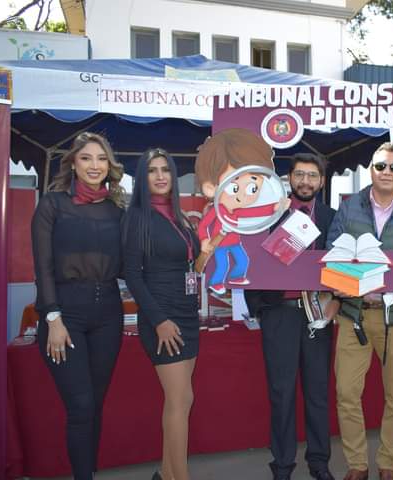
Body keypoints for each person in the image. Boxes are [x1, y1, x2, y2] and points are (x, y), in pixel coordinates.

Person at [327, 142, 393, 480]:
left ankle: (388, 463)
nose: (387, 172)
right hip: (353, 315)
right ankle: (357, 464)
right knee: (346, 392)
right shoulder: (348, 208)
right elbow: (331, 252)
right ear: (370, 170)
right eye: (381, 166)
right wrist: (337, 283)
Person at [31, 132, 125, 480]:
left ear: (109, 166)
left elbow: (132, 263)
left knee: (94, 405)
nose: (94, 165)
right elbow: (42, 266)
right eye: (86, 158)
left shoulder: (117, 211)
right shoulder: (52, 204)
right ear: (73, 163)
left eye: (101, 159)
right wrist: (52, 318)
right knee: (81, 405)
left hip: (108, 313)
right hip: (64, 313)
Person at [244, 153, 337, 480]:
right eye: (300, 174)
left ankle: (319, 463)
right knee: (281, 393)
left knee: (317, 393)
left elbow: (341, 264)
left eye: (312, 176)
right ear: (289, 178)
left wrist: (337, 302)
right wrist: (259, 308)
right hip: (279, 314)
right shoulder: (269, 215)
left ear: (321, 182)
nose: (305, 181)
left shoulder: (332, 218)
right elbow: (250, 258)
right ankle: (282, 465)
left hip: (317, 314)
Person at [123, 148, 201, 480]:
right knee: (179, 399)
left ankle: (167, 474)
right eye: (152, 170)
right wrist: (159, 321)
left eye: (165, 170)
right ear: (143, 178)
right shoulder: (136, 217)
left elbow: (193, 264)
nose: (159, 176)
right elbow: (132, 275)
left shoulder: (179, 217)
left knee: (183, 399)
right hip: (162, 317)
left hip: (187, 314)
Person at [195, 128, 285, 294]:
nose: (242, 196)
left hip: (235, 242)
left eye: (252, 188)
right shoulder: (218, 210)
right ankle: (216, 282)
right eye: (234, 187)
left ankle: (236, 277)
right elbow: (203, 226)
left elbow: (254, 213)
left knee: (243, 261)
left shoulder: (237, 211)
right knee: (223, 265)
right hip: (219, 243)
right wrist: (204, 240)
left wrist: (275, 208)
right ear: (211, 188)